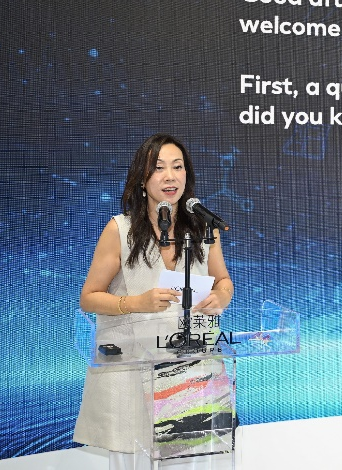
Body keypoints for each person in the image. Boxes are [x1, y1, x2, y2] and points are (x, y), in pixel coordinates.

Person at [74, 134, 234, 469]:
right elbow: (88, 298)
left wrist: (220, 296)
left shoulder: (204, 228)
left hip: (191, 369)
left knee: (193, 462)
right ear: (142, 179)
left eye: (178, 167)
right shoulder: (120, 230)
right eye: (159, 168)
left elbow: (223, 281)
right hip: (132, 369)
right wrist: (136, 303)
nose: (170, 176)